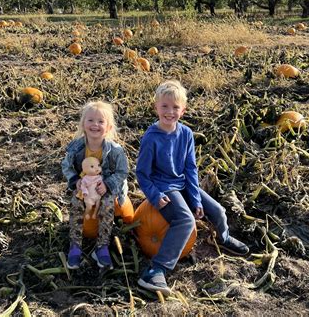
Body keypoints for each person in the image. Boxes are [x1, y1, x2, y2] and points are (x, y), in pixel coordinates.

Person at [136, 80, 249, 296]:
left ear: (183, 110)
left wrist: (196, 199)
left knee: (217, 210)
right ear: (156, 107)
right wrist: (154, 195)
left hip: (183, 184)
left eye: (175, 107)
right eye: (165, 106)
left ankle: (223, 238)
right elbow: (142, 173)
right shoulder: (151, 137)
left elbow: (191, 169)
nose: (170, 112)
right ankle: (155, 269)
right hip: (163, 187)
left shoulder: (186, 134)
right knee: (185, 220)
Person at [61, 100, 128, 270]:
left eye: (100, 121)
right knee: (76, 204)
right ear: (83, 124)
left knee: (106, 205)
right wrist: (75, 181)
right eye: (90, 120)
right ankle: (75, 245)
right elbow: (66, 166)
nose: (95, 125)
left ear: (109, 127)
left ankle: (102, 246)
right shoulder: (76, 148)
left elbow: (122, 172)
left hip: (104, 186)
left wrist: (108, 185)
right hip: (84, 186)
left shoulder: (115, 150)